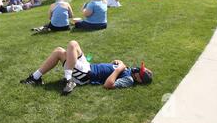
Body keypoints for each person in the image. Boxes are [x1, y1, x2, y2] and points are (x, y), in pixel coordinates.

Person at [20, 40, 153, 95]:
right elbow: (115, 68)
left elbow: (108, 84)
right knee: (62, 49)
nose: (137, 70)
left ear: (139, 80)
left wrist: (119, 69)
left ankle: (69, 80)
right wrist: (120, 63)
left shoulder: (129, 80)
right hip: (88, 66)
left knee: (69, 46)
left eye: (140, 72)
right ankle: (35, 77)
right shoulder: (129, 71)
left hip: (87, 75)